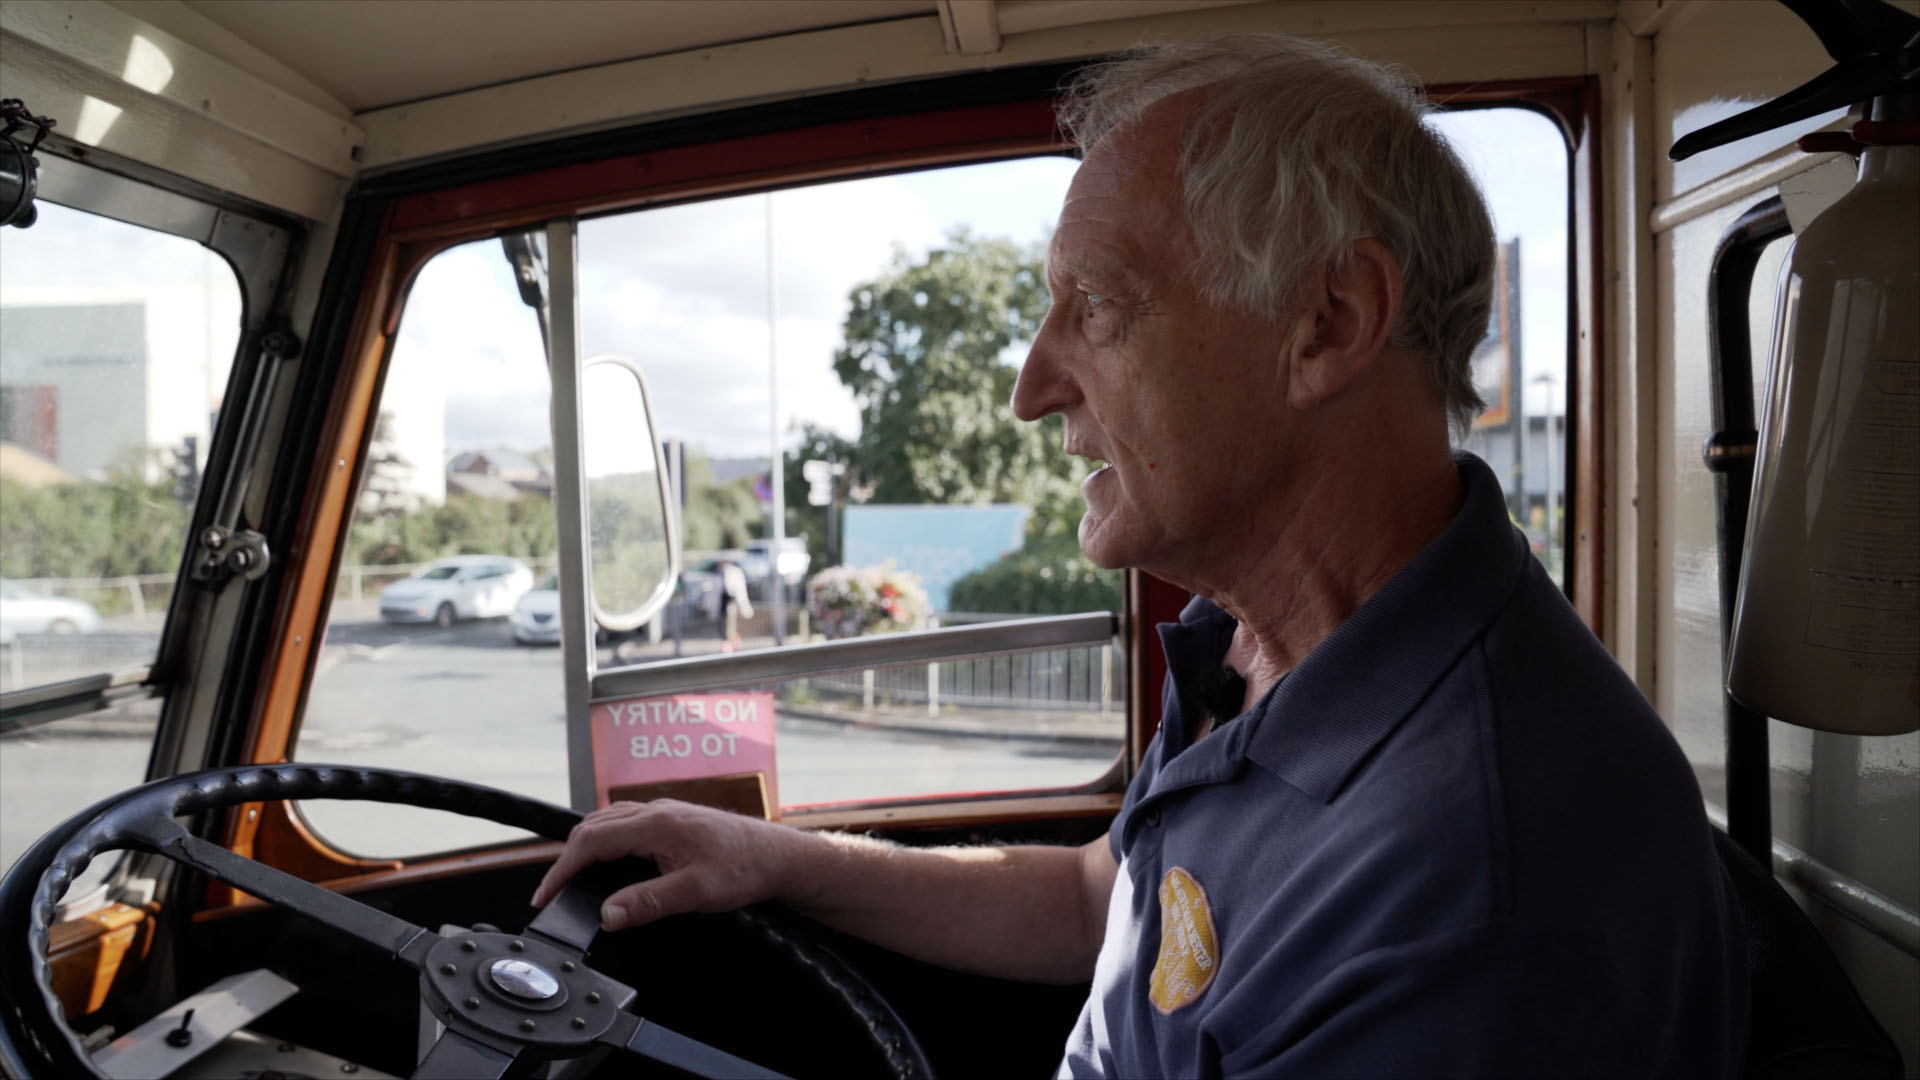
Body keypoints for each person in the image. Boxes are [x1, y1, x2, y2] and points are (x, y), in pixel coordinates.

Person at [534, 35, 1747, 1075]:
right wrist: (773, 856)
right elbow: (1097, 899)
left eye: (1095, 308)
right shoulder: (1262, 651)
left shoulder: (1476, 894)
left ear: (1326, 326)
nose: (1029, 388)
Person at [717, 558, 753, 652]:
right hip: (725, 604)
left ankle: (731, 644)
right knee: (728, 626)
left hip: (730, 603)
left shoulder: (730, 573)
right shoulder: (724, 573)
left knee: (730, 626)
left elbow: (734, 590)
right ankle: (731, 643)